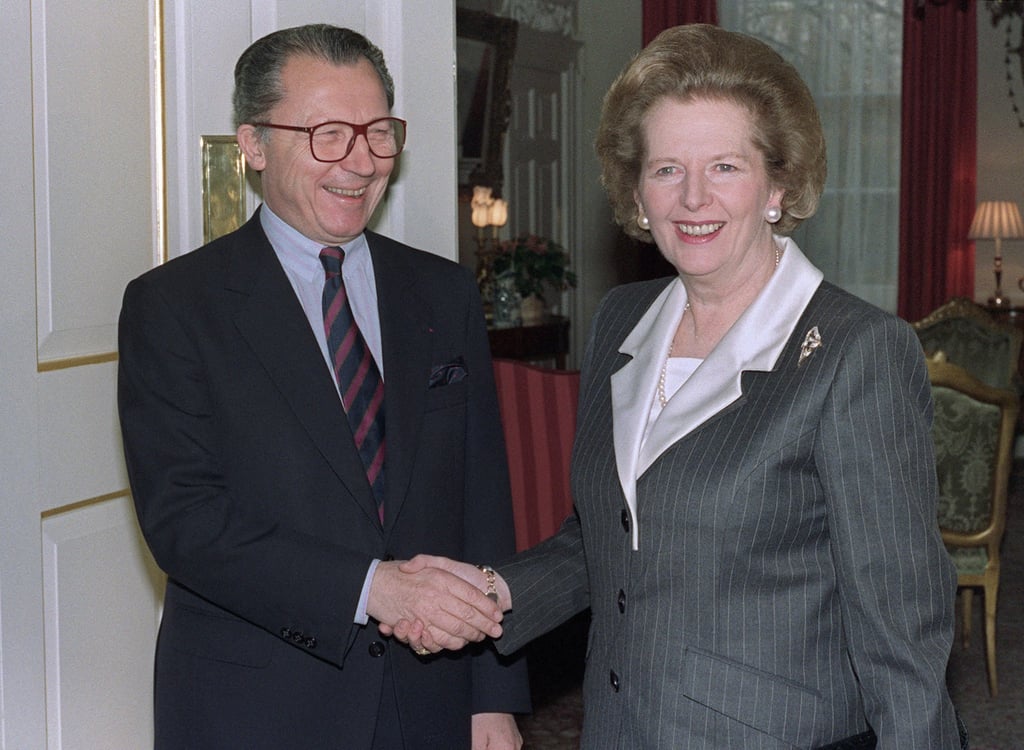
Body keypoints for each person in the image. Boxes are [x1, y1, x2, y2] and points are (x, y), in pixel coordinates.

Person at [392, 24, 966, 748]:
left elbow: (902, 630)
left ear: (777, 184)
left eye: (725, 166)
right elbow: (611, 536)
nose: (693, 197)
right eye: (666, 169)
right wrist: (492, 593)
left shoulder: (858, 352)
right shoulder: (622, 322)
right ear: (636, 192)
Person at [117, 24, 528, 750]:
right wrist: (374, 588)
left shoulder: (443, 293)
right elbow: (186, 521)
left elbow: (482, 503)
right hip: (255, 703)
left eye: (377, 132)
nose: (361, 162)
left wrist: (492, 695)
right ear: (253, 145)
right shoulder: (175, 307)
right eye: (328, 134)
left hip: (428, 696)